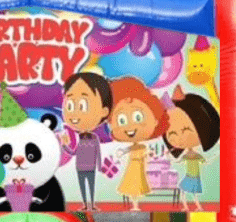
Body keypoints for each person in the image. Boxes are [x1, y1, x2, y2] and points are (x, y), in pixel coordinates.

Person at [109, 77, 168, 212]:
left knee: (136, 187)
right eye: (122, 120)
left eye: (137, 117)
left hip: (139, 169)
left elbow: (150, 153)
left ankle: (135, 205)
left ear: (155, 119)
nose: (130, 126)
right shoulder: (135, 147)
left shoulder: (143, 147)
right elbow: (127, 150)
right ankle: (133, 205)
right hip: (133, 169)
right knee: (132, 187)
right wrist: (121, 153)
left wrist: (160, 154)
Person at [163, 86, 220, 211]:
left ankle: (197, 206)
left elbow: (206, 162)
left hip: (194, 177)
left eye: (186, 130)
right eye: (172, 134)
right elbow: (177, 161)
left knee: (192, 194)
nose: (180, 137)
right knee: (185, 193)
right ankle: (187, 206)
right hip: (190, 177)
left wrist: (216, 155)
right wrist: (167, 156)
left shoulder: (196, 156)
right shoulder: (187, 156)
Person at [62, 72, 112, 211]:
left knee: (91, 185)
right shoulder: (78, 137)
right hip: (80, 167)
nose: (75, 113)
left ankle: (92, 204)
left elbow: (98, 152)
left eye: (83, 105)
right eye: (70, 105)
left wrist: (99, 166)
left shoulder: (94, 137)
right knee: (82, 186)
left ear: (104, 111)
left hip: (91, 167)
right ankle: (85, 204)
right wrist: (65, 145)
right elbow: (73, 152)